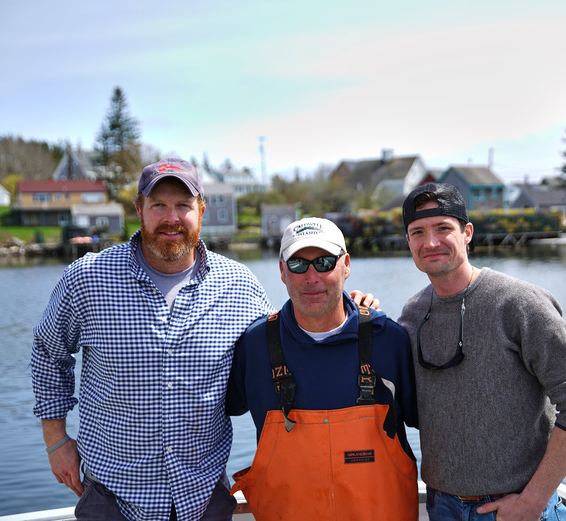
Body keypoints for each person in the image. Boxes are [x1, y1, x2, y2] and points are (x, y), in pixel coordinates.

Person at [31, 159, 376, 521]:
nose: (171, 218)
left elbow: (290, 339)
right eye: (158, 205)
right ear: (139, 210)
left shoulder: (238, 285)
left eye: (183, 205)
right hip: (113, 497)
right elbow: (49, 354)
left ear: (201, 210)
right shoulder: (88, 278)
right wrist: (56, 440)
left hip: (203, 498)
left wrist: (350, 307)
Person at [397, 183, 566, 521]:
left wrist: (533, 501)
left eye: (443, 229)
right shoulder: (411, 315)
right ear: (408, 242)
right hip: (442, 506)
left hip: (517, 509)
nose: (430, 242)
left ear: (467, 233)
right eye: (417, 232)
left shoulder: (519, 304)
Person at [226, 217, 419, 520]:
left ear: (346, 265)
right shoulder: (254, 345)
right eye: (298, 264)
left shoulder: (389, 339)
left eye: (325, 262)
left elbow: (437, 428)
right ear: (281, 270)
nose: (311, 277)